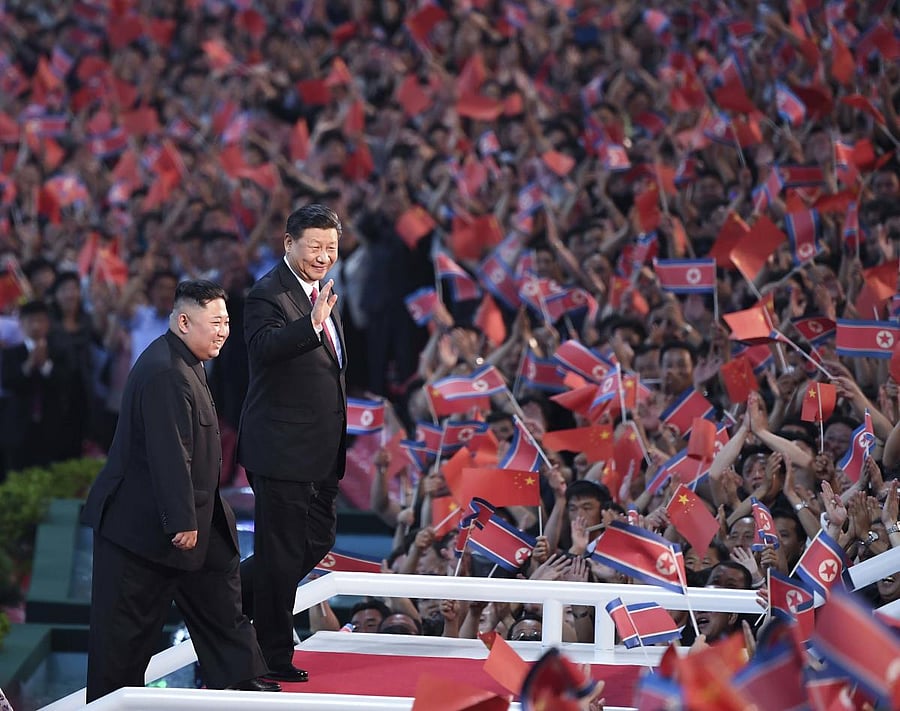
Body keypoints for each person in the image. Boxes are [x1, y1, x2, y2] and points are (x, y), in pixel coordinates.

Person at [81, 281, 275, 701]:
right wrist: (182, 520)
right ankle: (111, 705)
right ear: (184, 321)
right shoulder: (166, 371)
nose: (224, 331)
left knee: (221, 604)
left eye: (226, 321)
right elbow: (169, 452)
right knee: (124, 641)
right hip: (146, 533)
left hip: (194, 522)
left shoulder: (187, 359)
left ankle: (244, 679)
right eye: (215, 322)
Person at [238, 204, 347, 683]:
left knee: (318, 539)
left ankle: (225, 595)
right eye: (315, 246)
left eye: (332, 248)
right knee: (281, 553)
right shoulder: (267, 294)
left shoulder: (319, 292)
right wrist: (310, 325)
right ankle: (273, 656)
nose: (324, 256)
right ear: (288, 243)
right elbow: (263, 349)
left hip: (319, 452)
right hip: (281, 450)